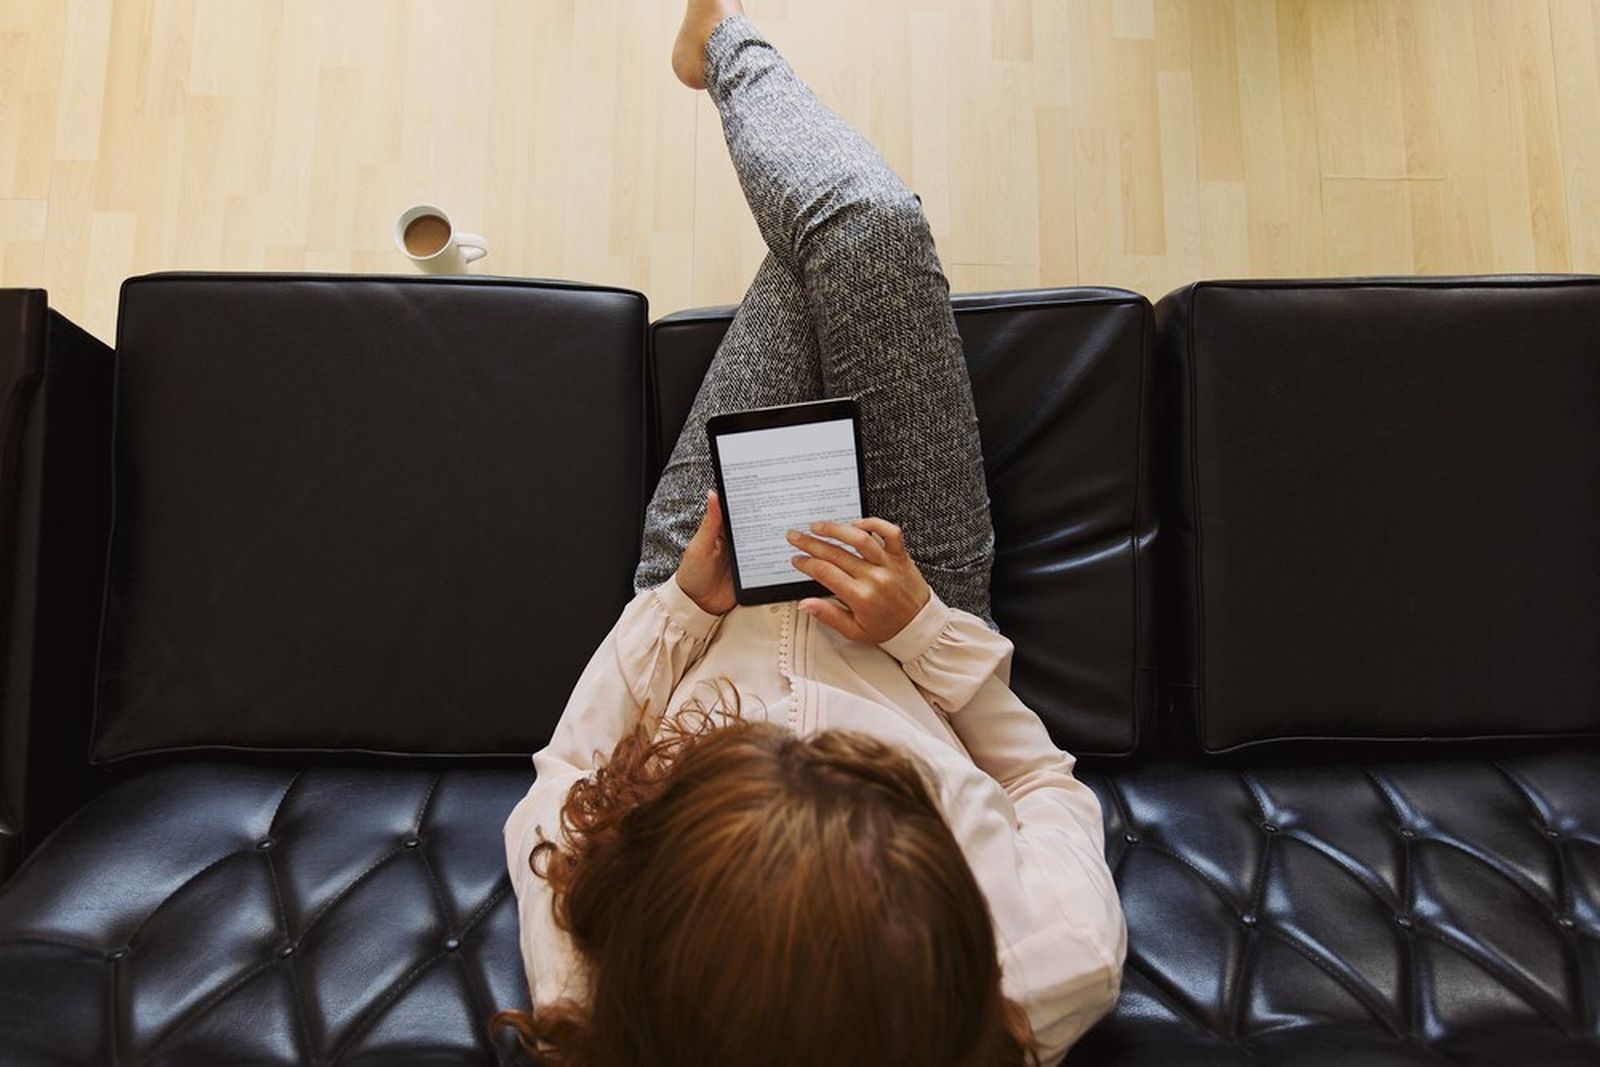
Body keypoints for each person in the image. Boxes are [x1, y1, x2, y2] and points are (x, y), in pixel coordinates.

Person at [498, 3, 1126, 1064]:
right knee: (870, 231)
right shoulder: (1053, 965)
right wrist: (921, 626)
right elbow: (1037, 782)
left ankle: (724, 52)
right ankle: (726, 52)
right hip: (909, 594)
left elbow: (570, 768)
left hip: (707, 593)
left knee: (848, 244)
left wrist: (684, 606)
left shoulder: (587, 974)